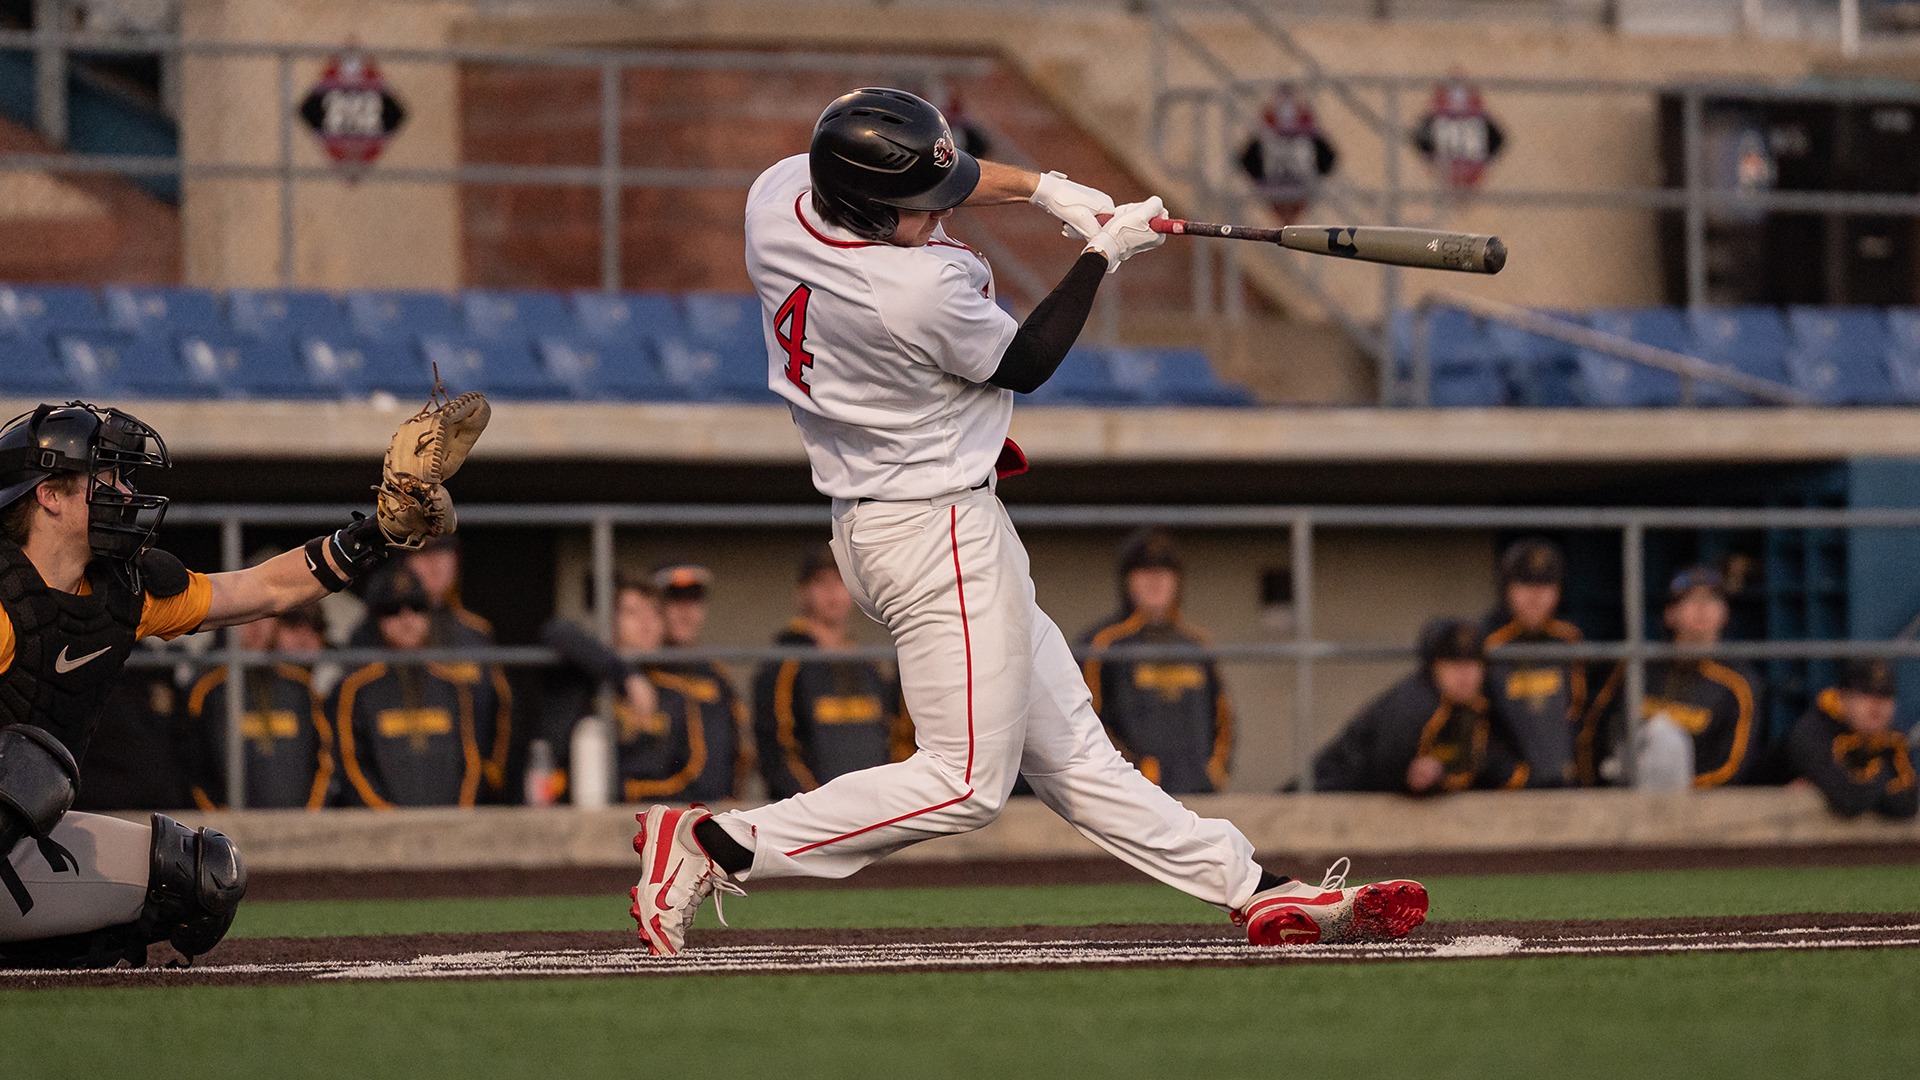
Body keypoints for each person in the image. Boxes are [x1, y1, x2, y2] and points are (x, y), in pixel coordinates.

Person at [628, 87, 1426, 957]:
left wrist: (1043, 188)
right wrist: (1101, 253)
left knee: (1076, 754)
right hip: (935, 535)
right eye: (918, 208)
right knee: (965, 784)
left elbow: (937, 174)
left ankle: (1256, 890)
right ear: (865, 211)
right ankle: (720, 843)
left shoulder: (779, 196)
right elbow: (1030, 359)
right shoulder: (914, 290)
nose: (938, 215)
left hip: (891, 521)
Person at [0, 401, 403, 967]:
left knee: (201, 875)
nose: (125, 491)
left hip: (19, 844)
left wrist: (374, 534)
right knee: (21, 767)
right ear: (49, 495)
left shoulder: (122, 593)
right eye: (107, 477)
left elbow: (261, 589)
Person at [543, 578, 740, 803]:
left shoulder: (679, 687)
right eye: (632, 612)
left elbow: (700, 774)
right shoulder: (586, 673)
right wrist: (627, 676)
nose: (646, 623)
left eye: (655, 613)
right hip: (575, 809)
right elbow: (555, 630)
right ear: (611, 621)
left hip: (649, 809)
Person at [350, 535, 512, 797]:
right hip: (393, 784)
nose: (435, 563)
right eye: (423, 553)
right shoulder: (370, 633)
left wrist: (491, 774)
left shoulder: (475, 634)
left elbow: (502, 708)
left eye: (444, 553)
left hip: (467, 785)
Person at [1077, 528, 1232, 795]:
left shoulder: (1197, 645)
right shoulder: (1102, 645)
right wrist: (1136, 771)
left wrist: (1213, 772)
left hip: (1198, 793)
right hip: (1132, 796)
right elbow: (1085, 720)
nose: (1155, 581)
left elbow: (1224, 719)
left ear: (1177, 580)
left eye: (1164, 571)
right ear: (1127, 580)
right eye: (1144, 571)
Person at [1579, 566, 1759, 788]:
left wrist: (1675, 792)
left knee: (1667, 738)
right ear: (1670, 614)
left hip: (1694, 802)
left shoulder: (1738, 683)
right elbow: (1591, 735)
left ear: (1725, 613)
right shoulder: (1636, 667)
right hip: (1624, 794)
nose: (1702, 608)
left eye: (1712, 599)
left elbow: (1733, 768)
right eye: (1690, 599)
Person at [752, 545, 905, 799]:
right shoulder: (784, 663)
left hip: (874, 809)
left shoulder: (869, 665)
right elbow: (776, 753)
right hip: (812, 813)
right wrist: (818, 805)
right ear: (802, 593)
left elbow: (894, 737)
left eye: (841, 581)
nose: (832, 592)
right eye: (821, 582)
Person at [1314, 618, 1527, 794]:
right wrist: (1409, 776)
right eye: (1453, 664)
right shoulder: (1417, 702)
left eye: (1472, 664)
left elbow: (1490, 763)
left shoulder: (1476, 705)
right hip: (1328, 795)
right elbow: (1385, 767)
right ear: (1433, 668)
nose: (1465, 675)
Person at [332, 567, 486, 809]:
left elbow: (472, 761)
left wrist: (459, 815)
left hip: (450, 823)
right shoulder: (355, 689)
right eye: (392, 610)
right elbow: (350, 765)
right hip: (380, 826)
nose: (407, 619)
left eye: (417, 607)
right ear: (375, 619)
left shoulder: (453, 686)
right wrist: (387, 817)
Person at [183, 603, 336, 811]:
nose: (256, 627)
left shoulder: (299, 686)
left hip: (300, 821)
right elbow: (192, 766)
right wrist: (216, 819)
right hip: (226, 825)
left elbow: (324, 757)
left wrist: (311, 814)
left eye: (265, 618)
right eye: (244, 619)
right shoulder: (206, 689)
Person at [1482, 538, 1587, 788]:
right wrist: (1514, 776)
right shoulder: (1486, 642)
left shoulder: (1570, 639)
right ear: (1506, 588)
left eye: (1546, 585)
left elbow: (1581, 714)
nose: (1535, 596)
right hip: (1502, 790)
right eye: (1524, 584)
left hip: (1563, 785)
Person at [1785, 658, 1916, 819]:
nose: (1876, 705)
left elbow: (1908, 805)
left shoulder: (1892, 739)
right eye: (1865, 694)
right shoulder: (1813, 731)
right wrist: (1882, 777)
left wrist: (1864, 780)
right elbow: (1847, 801)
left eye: (1885, 695)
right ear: (1843, 697)